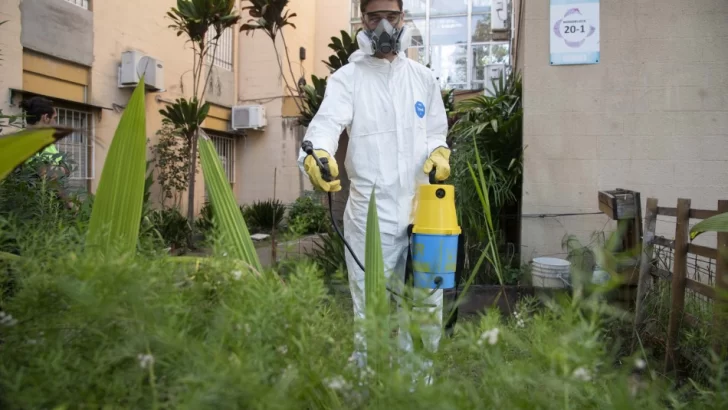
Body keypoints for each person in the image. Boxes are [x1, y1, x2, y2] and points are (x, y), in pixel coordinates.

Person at [297, 0, 451, 385]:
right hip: (371, 216)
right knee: (372, 309)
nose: (384, 25)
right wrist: (317, 155)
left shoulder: (423, 78)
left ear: (403, 18)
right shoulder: (347, 79)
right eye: (373, 16)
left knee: (426, 306)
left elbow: (436, 131)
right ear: (362, 20)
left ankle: (418, 390)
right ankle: (372, 389)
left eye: (392, 16)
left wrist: (439, 151)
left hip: (425, 215)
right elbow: (326, 125)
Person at [19, 96, 74, 208]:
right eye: (54, 118)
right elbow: (48, 177)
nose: (55, 122)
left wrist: (61, 169)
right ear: (45, 118)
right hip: (43, 209)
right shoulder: (32, 142)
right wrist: (70, 204)